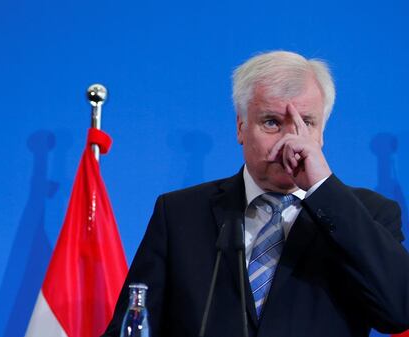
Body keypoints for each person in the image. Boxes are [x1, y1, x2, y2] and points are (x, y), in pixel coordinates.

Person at [103, 51, 409, 337]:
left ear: (322, 134)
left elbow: (398, 311)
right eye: (272, 122)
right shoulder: (180, 213)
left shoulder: (369, 213)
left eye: (307, 122)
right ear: (240, 126)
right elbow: (131, 326)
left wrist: (323, 189)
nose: (290, 140)